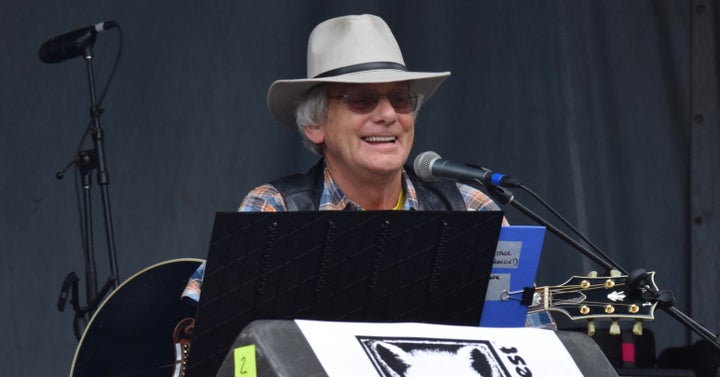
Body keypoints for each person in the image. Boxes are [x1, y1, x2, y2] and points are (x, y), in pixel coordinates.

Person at [182, 14, 544, 324]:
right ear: (316, 125)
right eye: (362, 100)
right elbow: (205, 325)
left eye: (399, 99)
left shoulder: (468, 206)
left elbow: (528, 333)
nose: (388, 114)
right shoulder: (276, 208)